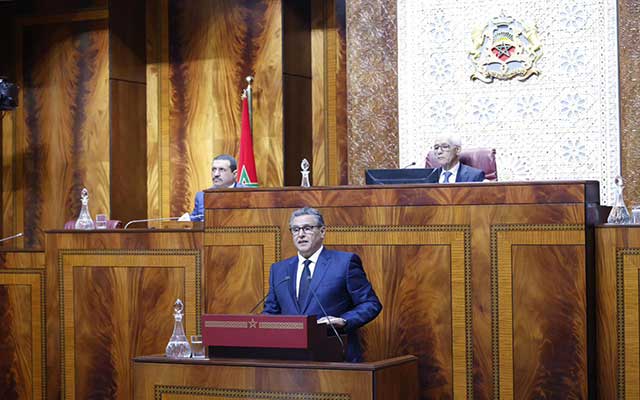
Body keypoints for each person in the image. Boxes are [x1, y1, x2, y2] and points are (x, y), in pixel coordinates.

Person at [262, 207, 382, 362]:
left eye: (307, 228)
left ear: (322, 231)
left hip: (335, 356)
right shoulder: (279, 269)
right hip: (290, 358)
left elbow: (371, 303)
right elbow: (271, 312)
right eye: (295, 229)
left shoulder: (345, 263)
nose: (301, 234)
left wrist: (344, 321)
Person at [191, 154, 245, 221]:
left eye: (221, 169)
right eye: (214, 169)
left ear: (234, 174)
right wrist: (187, 219)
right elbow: (195, 220)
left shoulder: (248, 194)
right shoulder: (202, 196)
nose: (216, 174)